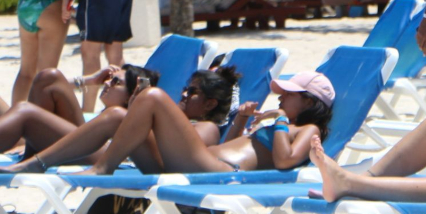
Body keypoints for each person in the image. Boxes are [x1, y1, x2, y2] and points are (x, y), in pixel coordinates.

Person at [63, 71, 334, 176]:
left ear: (309, 103)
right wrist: (241, 120)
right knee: (118, 116)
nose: (281, 96)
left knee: (154, 96)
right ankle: (40, 161)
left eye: (288, 94)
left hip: (218, 171)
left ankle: (102, 168)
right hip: (205, 161)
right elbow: (229, 146)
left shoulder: (307, 130)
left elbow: (285, 162)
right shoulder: (281, 126)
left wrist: (281, 121)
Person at [0, 65, 162, 168]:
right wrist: (89, 81)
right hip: (34, 141)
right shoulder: (103, 114)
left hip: (95, 150)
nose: (107, 85)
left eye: (115, 83)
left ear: (132, 96)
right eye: (108, 80)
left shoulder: (129, 120)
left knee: (48, 77)